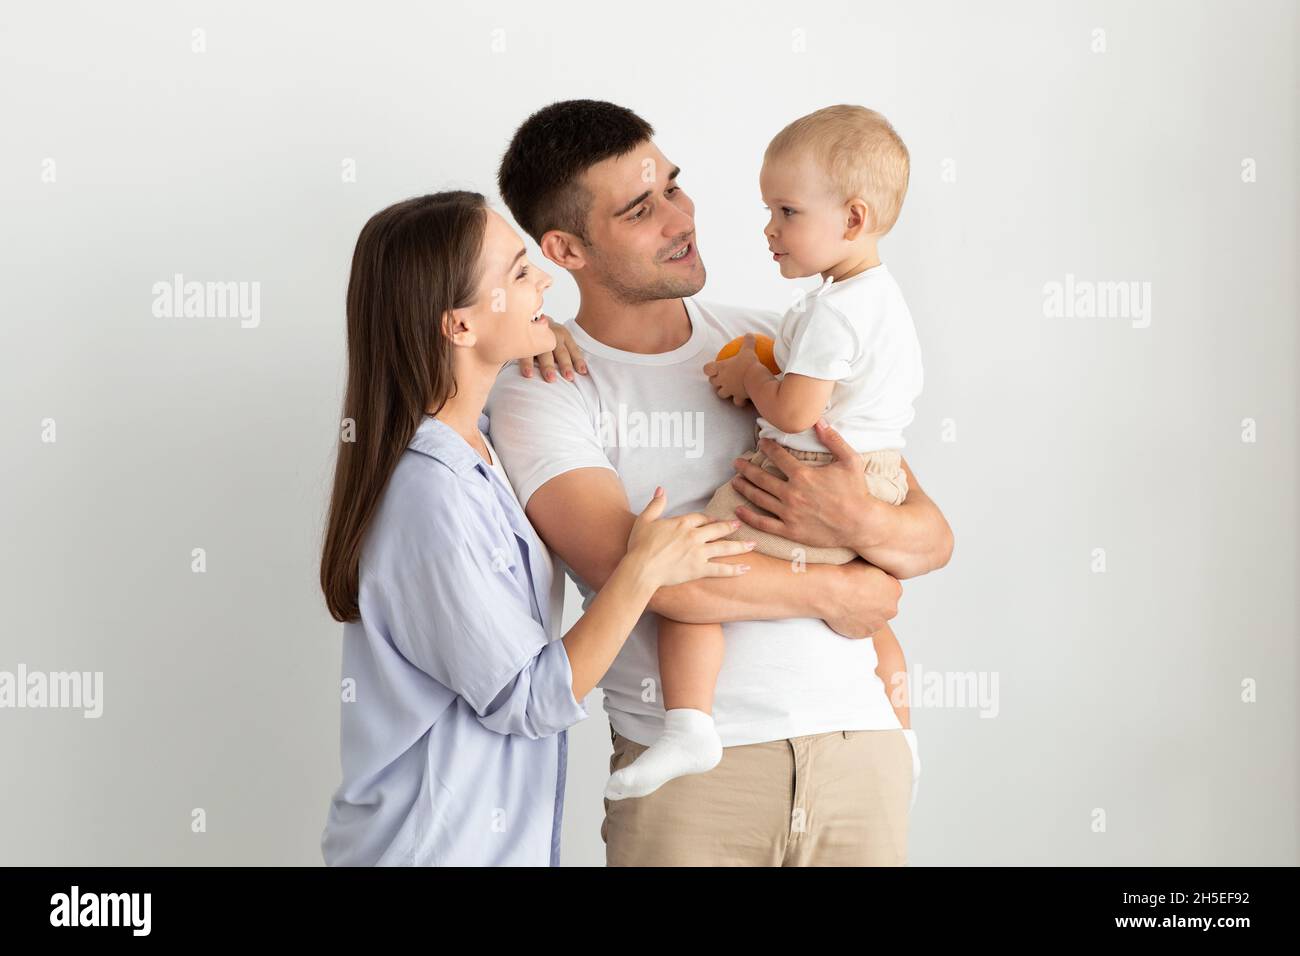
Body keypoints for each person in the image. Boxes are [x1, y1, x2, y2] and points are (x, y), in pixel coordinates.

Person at [487, 100, 953, 865]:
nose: (681, 217)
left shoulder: (775, 335)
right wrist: (835, 590)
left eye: (674, 185)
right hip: (699, 780)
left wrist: (861, 524)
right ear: (565, 249)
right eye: (642, 208)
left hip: (857, 746)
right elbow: (650, 582)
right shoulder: (546, 391)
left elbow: (929, 536)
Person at [318, 191, 752, 865]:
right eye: (520, 272)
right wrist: (641, 573)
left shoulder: (479, 447)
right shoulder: (429, 494)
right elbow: (529, 697)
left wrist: (542, 337)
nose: (546, 279)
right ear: (460, 326)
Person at [612, 105, 926, 803]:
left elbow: (794, 410)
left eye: (787, 212)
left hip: (810, 468)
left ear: (852, 218)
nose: (769, 230)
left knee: (688, 569)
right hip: (876, 474)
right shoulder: (871, 298)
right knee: (871, 615)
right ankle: (903, 732)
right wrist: (767, 358)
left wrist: (751, 379)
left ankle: (690, 725)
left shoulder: (837, 312)